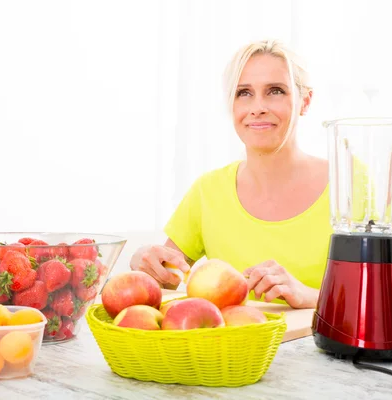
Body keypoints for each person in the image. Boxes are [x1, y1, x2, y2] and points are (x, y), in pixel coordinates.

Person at [130, 39, 332, 309]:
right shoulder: (208, 191)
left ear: (305, 101)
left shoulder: (350, 187)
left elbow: (381, 306)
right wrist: (144, 261)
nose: (257, 106)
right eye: (244, 93)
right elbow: (163, 282)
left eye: (275, 91)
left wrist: (309, 296)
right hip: (234, 351)